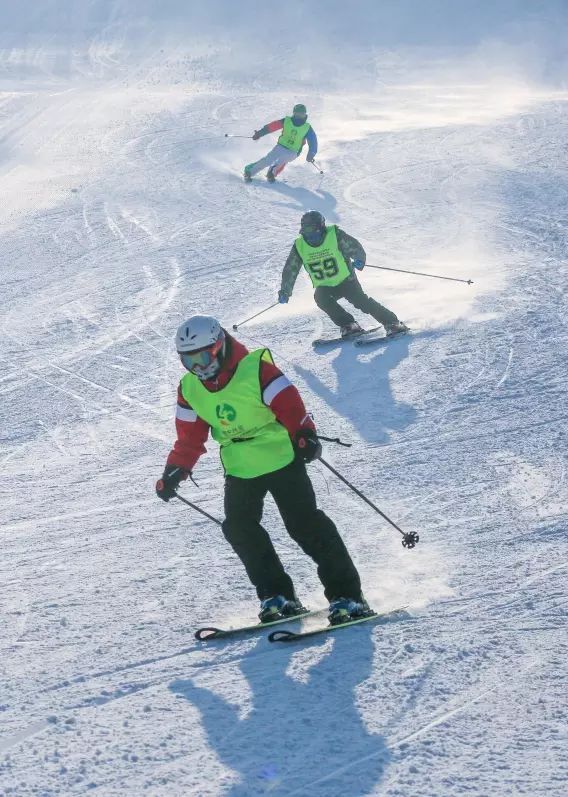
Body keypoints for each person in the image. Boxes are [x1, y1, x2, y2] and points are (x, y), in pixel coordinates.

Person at [155, 315, 371, 625]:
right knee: (239, 528)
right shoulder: (190, 388)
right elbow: (189, 437)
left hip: (280, 455)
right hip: (241, 466)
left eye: (202, 357)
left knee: (304, 525)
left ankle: (348, 596)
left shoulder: (255, 369)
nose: (198, 367)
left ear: (218, 347)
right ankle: (277, 595)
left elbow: (289, 404)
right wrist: (175, 470)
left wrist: (303, 433)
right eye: (188, 361)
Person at [278, 211, 409, 338]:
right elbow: (291, 268)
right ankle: (349, 325)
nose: (310, 236)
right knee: (320, 298)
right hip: (325, 285)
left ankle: (392, 322)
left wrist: (359, 259)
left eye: (313, 231)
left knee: (361, 302)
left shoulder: (335, 235)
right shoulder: (300, 246)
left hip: (347, 280)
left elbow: (354, 246)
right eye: (306, 232)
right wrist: (285, 290)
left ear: (321, 228)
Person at [243, 103, 318, 183]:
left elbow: (313, 142)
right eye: (297, 114)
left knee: (283, 159)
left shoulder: (307, 128)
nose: (299, 117)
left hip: (294, 151)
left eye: (301, 114)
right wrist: (259, 133)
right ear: (294, 113)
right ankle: (249, 171)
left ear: (305, 114)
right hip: (281, 146)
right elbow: (272, 127)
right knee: (268, 160)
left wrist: (311, 153)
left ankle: (271, 173)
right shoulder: (287, 121)